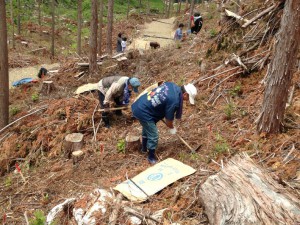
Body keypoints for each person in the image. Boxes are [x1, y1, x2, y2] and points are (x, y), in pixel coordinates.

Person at [131, 82, 197, 164]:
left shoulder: (172, 85)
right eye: (188, 98)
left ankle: (144, 149)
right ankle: (150, 157)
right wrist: (172, 128)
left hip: (141, 104)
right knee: (154, 135)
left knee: (147, 128)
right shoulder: (174, 101)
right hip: (143, 111)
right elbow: (168, 121)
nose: (186, 101)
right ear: (185, 94)